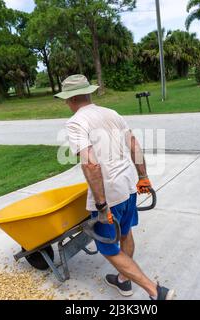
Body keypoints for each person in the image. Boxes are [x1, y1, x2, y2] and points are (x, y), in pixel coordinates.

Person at [55, 74, 174, 300]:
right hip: (129, 186)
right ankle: (123, 280)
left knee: (108, 248)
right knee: (125, 233)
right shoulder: (112, 113)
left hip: (109, 195)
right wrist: (143, 177)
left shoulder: (75, 123)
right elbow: (134, 144)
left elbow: (91, 164)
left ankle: (155, 291)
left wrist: (101, 205)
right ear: (88, 93)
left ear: (69, 100)